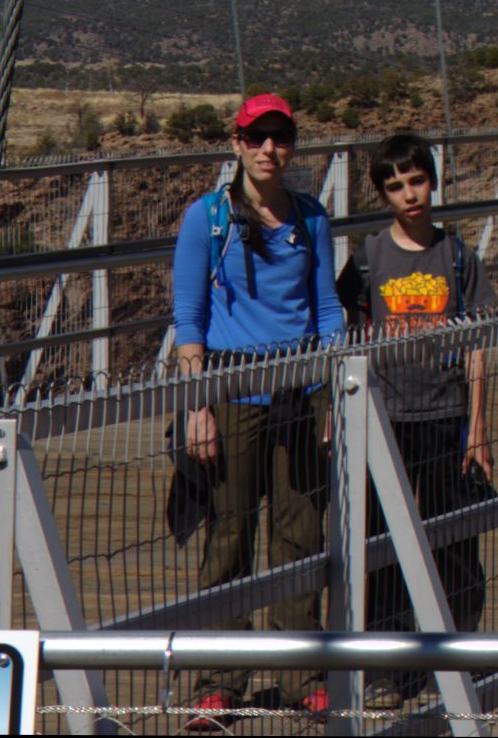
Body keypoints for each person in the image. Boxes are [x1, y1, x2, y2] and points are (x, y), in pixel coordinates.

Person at [170, 94, 341, 729]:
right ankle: (219, 684)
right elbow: (189, 318)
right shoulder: (206, 219)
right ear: (237, 143)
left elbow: (325, 309)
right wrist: (197, 407)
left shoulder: (311, 218)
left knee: (299, 536)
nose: (270, 149)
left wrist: (333, 389)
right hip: (231, 390)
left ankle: (303, 679)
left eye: (282, 137)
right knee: (229, 533)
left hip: (300, 391)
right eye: (257, 137)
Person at [335, 132, 494, 711]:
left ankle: (455, 651)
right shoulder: (368, 257)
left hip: (446, 412)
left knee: (454, 535)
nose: (410, 194)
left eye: (417, 180)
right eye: (396, 185)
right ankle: (387, 665)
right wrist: (339, 411)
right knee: (382, 542)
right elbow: (345, 338)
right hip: (386, 416)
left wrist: (478, 422)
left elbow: (477, 342)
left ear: (433, 180)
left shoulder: (458, 257)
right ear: (382, 194)